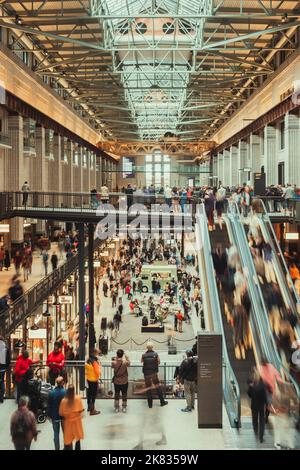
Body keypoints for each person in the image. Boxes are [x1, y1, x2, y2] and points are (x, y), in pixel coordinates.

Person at [141, 342, 168, 409]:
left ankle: (150, 405)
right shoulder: (156, 354)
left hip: (146, 373)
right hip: (154, 373)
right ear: (152, 347)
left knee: (148, 388)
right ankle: (162, 402)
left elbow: (141, 361)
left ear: (147, 347)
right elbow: (158, 362)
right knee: (157, 387)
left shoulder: (143, 355)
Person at [59, 385, 84, 450]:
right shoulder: (77, 398)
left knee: (68, 439)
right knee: (77, 438)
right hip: (76, 422)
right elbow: (81, 410)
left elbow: (61, 413)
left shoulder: (63, 401)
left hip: (68, 422)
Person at [247, 367, 268, 443]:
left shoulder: (252, 385)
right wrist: (266, 404)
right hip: (261, 406)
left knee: (255, 419)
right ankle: (261, 437)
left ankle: (256, 430)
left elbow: (249, 395)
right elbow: (265, 396)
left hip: (254, 405)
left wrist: (250, 388)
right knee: (262, 420)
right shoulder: (263, 385)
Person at [47, 376, 66, 450]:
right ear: (62, 383)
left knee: (56, 433)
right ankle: (66, 447)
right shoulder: (65, 392)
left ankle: (57, 448)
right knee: (65, 432)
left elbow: (49, 405)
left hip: (55, 416)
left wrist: (48, 415)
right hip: (64, 416)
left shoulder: (51, 393)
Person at [85, 348, 101, 415]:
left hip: (89, 379)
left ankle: (89, 407)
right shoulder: (94, 361)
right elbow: (97, 372)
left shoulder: (88, 359)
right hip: (94, 379)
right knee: (93, 395)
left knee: (89, 393)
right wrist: (100, 373)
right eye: (98, 353)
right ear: (95, 353)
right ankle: (92, 410)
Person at [0, 335, 10, 403]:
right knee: (2, 382)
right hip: (3, 368)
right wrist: (6, 366)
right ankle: (1, 397)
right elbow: (8, 358)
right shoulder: (6, 347)